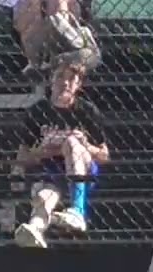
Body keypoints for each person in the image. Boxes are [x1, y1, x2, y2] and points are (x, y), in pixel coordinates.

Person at [14, 61, 109, 247]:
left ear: (78, 84)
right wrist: (44, 149)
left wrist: (85, 144)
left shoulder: (86, 111)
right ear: (51, 80)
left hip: (83, 168)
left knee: (72, 143)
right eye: (60, 77)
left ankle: (77, 211)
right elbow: (24, 155)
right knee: (44, 196)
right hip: (50, 168)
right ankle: (35, 229)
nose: (65, 83)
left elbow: (104, 155)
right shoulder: (38, 111)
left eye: (71, 79)